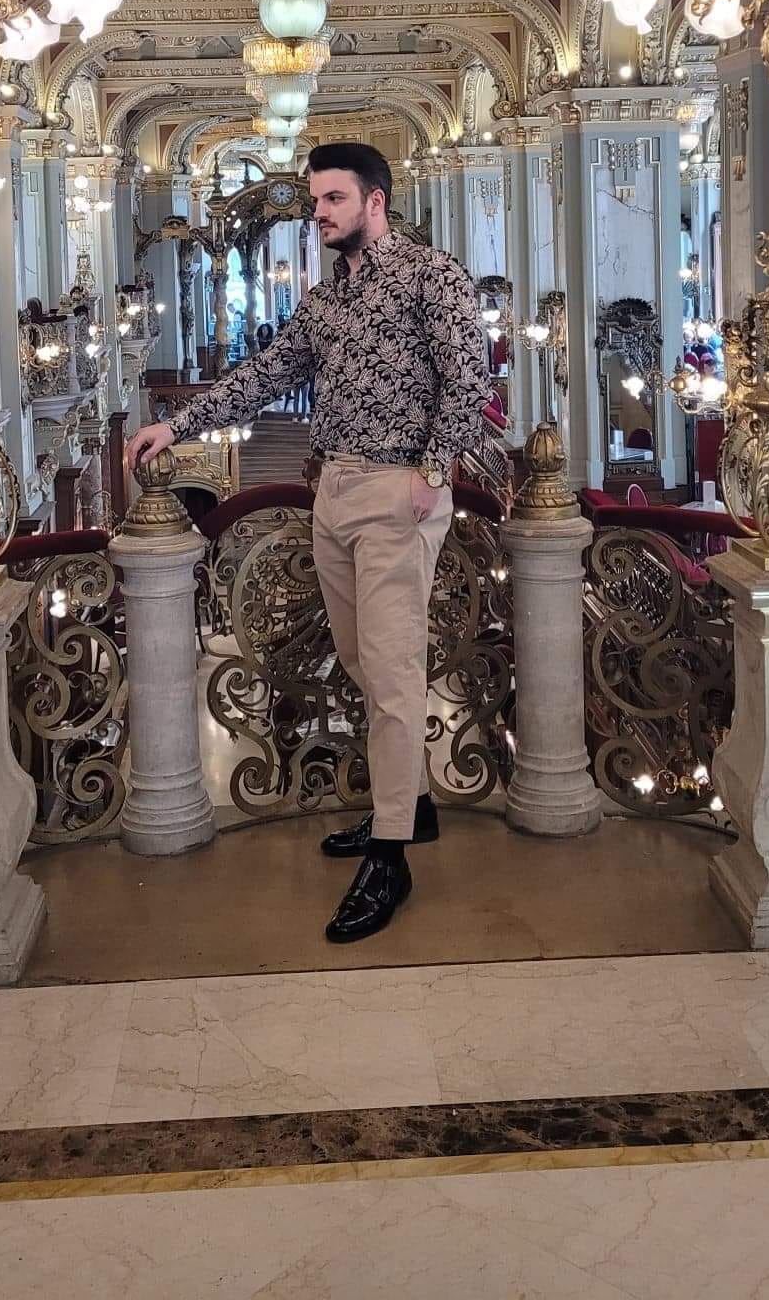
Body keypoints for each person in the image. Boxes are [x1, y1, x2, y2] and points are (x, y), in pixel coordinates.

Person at [127, 142, 491, 944]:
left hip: (396, 492)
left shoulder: (432, 276)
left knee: (392, 677)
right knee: (362, 662)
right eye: (316, 200)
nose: (318, 213)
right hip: (333, 493)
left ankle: (390, 858)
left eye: (332, 199)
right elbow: (265, 373)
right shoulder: (329, 299)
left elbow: (470, 380)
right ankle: (413, 806)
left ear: (375, 201)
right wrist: (177, 425)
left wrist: (432, 472)